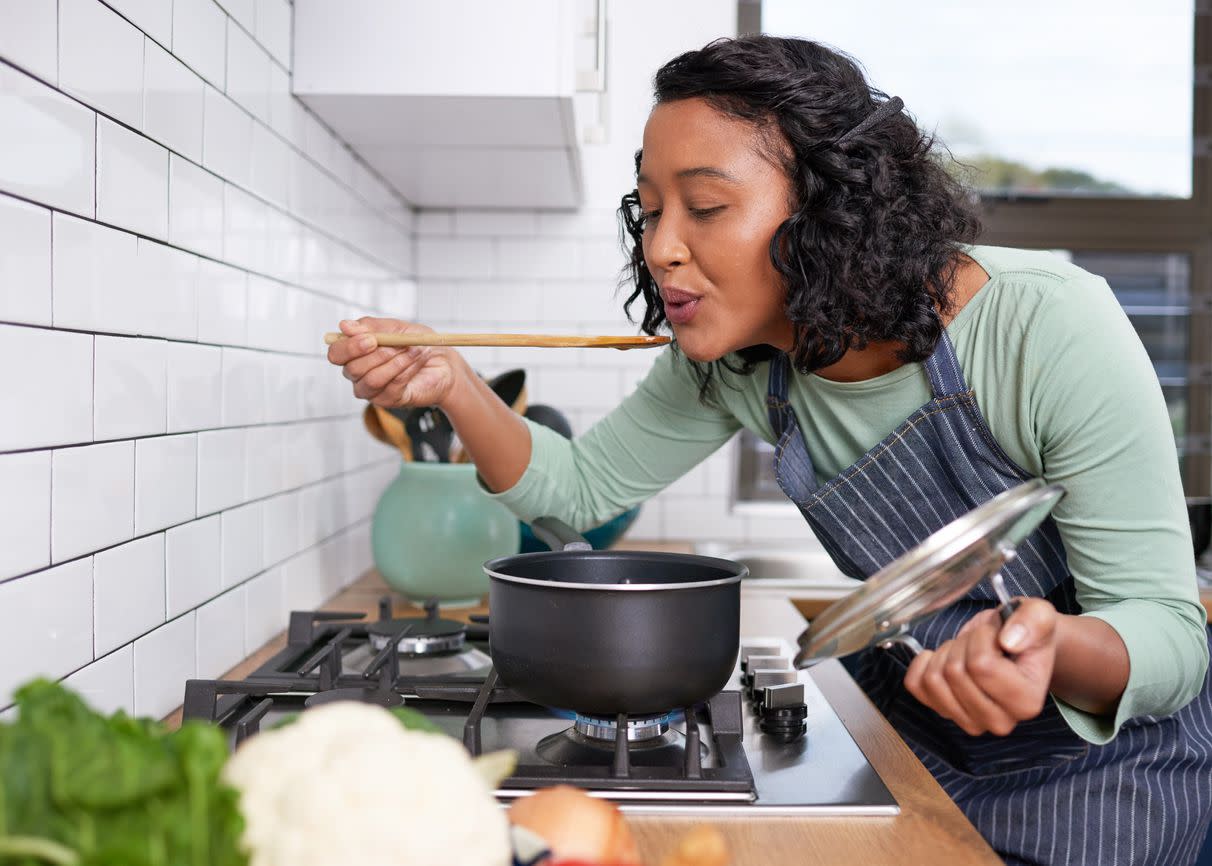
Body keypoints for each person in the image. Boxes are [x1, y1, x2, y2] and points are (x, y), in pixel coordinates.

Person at [328, 35, 1212, 866]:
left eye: (705, 206)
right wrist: (453, 384)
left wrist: (1046, 649)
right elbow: (579, 490)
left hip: (1108, 778)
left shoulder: (1046, 322)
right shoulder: (739, 359)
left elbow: (1170, 637)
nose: (662, 246)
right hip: (920, 742)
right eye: (652, 206)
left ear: (832, 211)